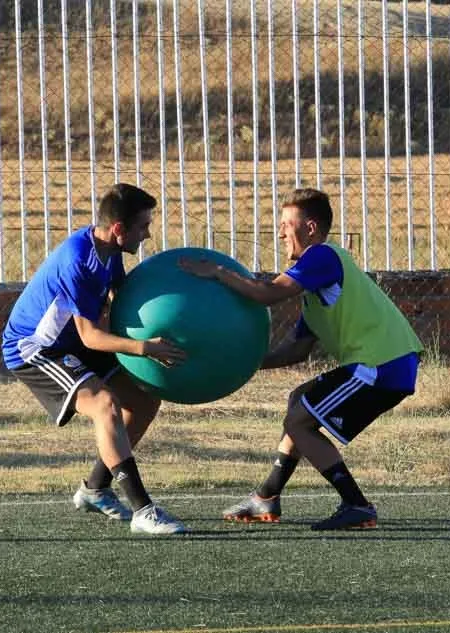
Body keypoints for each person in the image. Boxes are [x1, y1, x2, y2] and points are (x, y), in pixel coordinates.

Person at [179, 188, 423, 530]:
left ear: (309, 228)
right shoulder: (317, 288)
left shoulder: (321, 256)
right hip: (379, 364)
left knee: (299, 421)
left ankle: (357, 505)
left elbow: (269, 294)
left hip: (380, 365)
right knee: (299, 402)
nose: (279, 233)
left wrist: (220, 272)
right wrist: (238, 364)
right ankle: (267, 496)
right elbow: (295, 350)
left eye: (285, 224)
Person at [2, 183, 189, 535]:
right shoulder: (78, 259)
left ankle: (95, 489)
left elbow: (120, 300)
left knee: (144, 398)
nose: (148, 234)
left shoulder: (110, 250)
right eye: (143, 226)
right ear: (119, 229)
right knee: (105, 405)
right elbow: (91, 336)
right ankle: (143, 510)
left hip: (74, 341)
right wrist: (146, 348)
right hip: (37, 349)